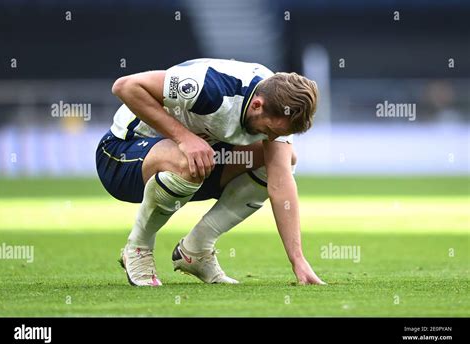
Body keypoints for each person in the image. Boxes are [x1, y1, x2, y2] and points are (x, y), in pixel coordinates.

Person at [96, 58, 325, 286]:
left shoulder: (280, 105)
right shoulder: (209, 87)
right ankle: (138, 248)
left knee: (282, 160)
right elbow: (125, 86)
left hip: (193, 169)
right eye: (269, 130)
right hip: (120, 158)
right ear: (256, 105)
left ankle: (196, 250)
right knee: (187, 158)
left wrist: (297, 259)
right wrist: (184, 138)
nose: (272, 138)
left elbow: (281, 183)